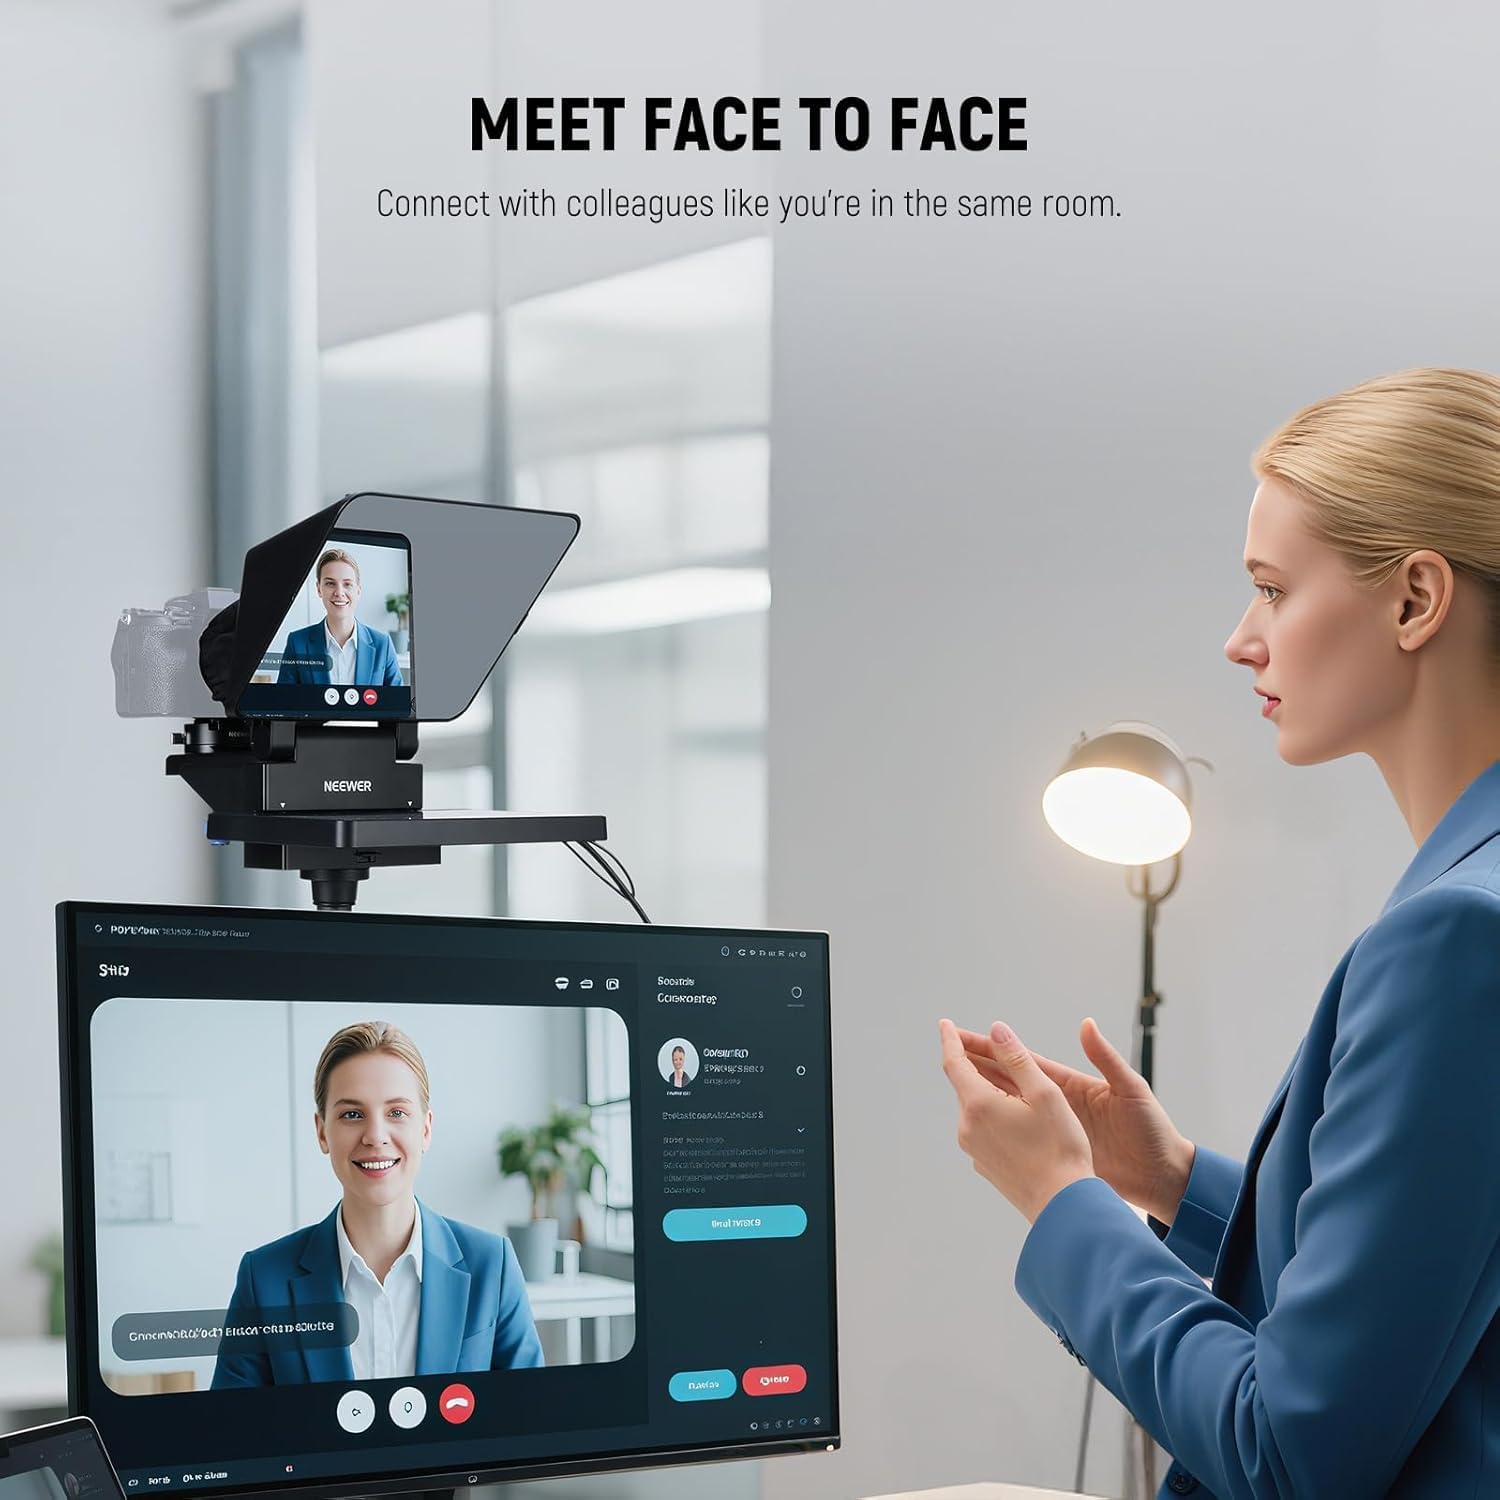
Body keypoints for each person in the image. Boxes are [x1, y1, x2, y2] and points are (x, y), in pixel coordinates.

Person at [939, 367, 1500, 1498]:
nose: (1242, 639)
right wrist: (1174, 1179)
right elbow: (1441, 1269)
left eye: (1272, 589)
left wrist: (1062, 1201)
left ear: (1415, 600)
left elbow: (1289, 1454)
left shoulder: (1453, 941)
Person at [212, 1021, 542, 1387]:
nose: (375, 1136)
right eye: (352, 1114)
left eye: (397, 1113)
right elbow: (235, 1435)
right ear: (322, 1131)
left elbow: (531, 1418)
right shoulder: (264, 1277)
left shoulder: (491, 1265)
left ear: (426, 1129)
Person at [276, 547, 403, 687]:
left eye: (347, 584)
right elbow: (284, 703)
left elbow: (397, 706)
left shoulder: (382, 644)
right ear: (319, 589)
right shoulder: (297, 642)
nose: (339, 592)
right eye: (330, 583)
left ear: (358, 590)